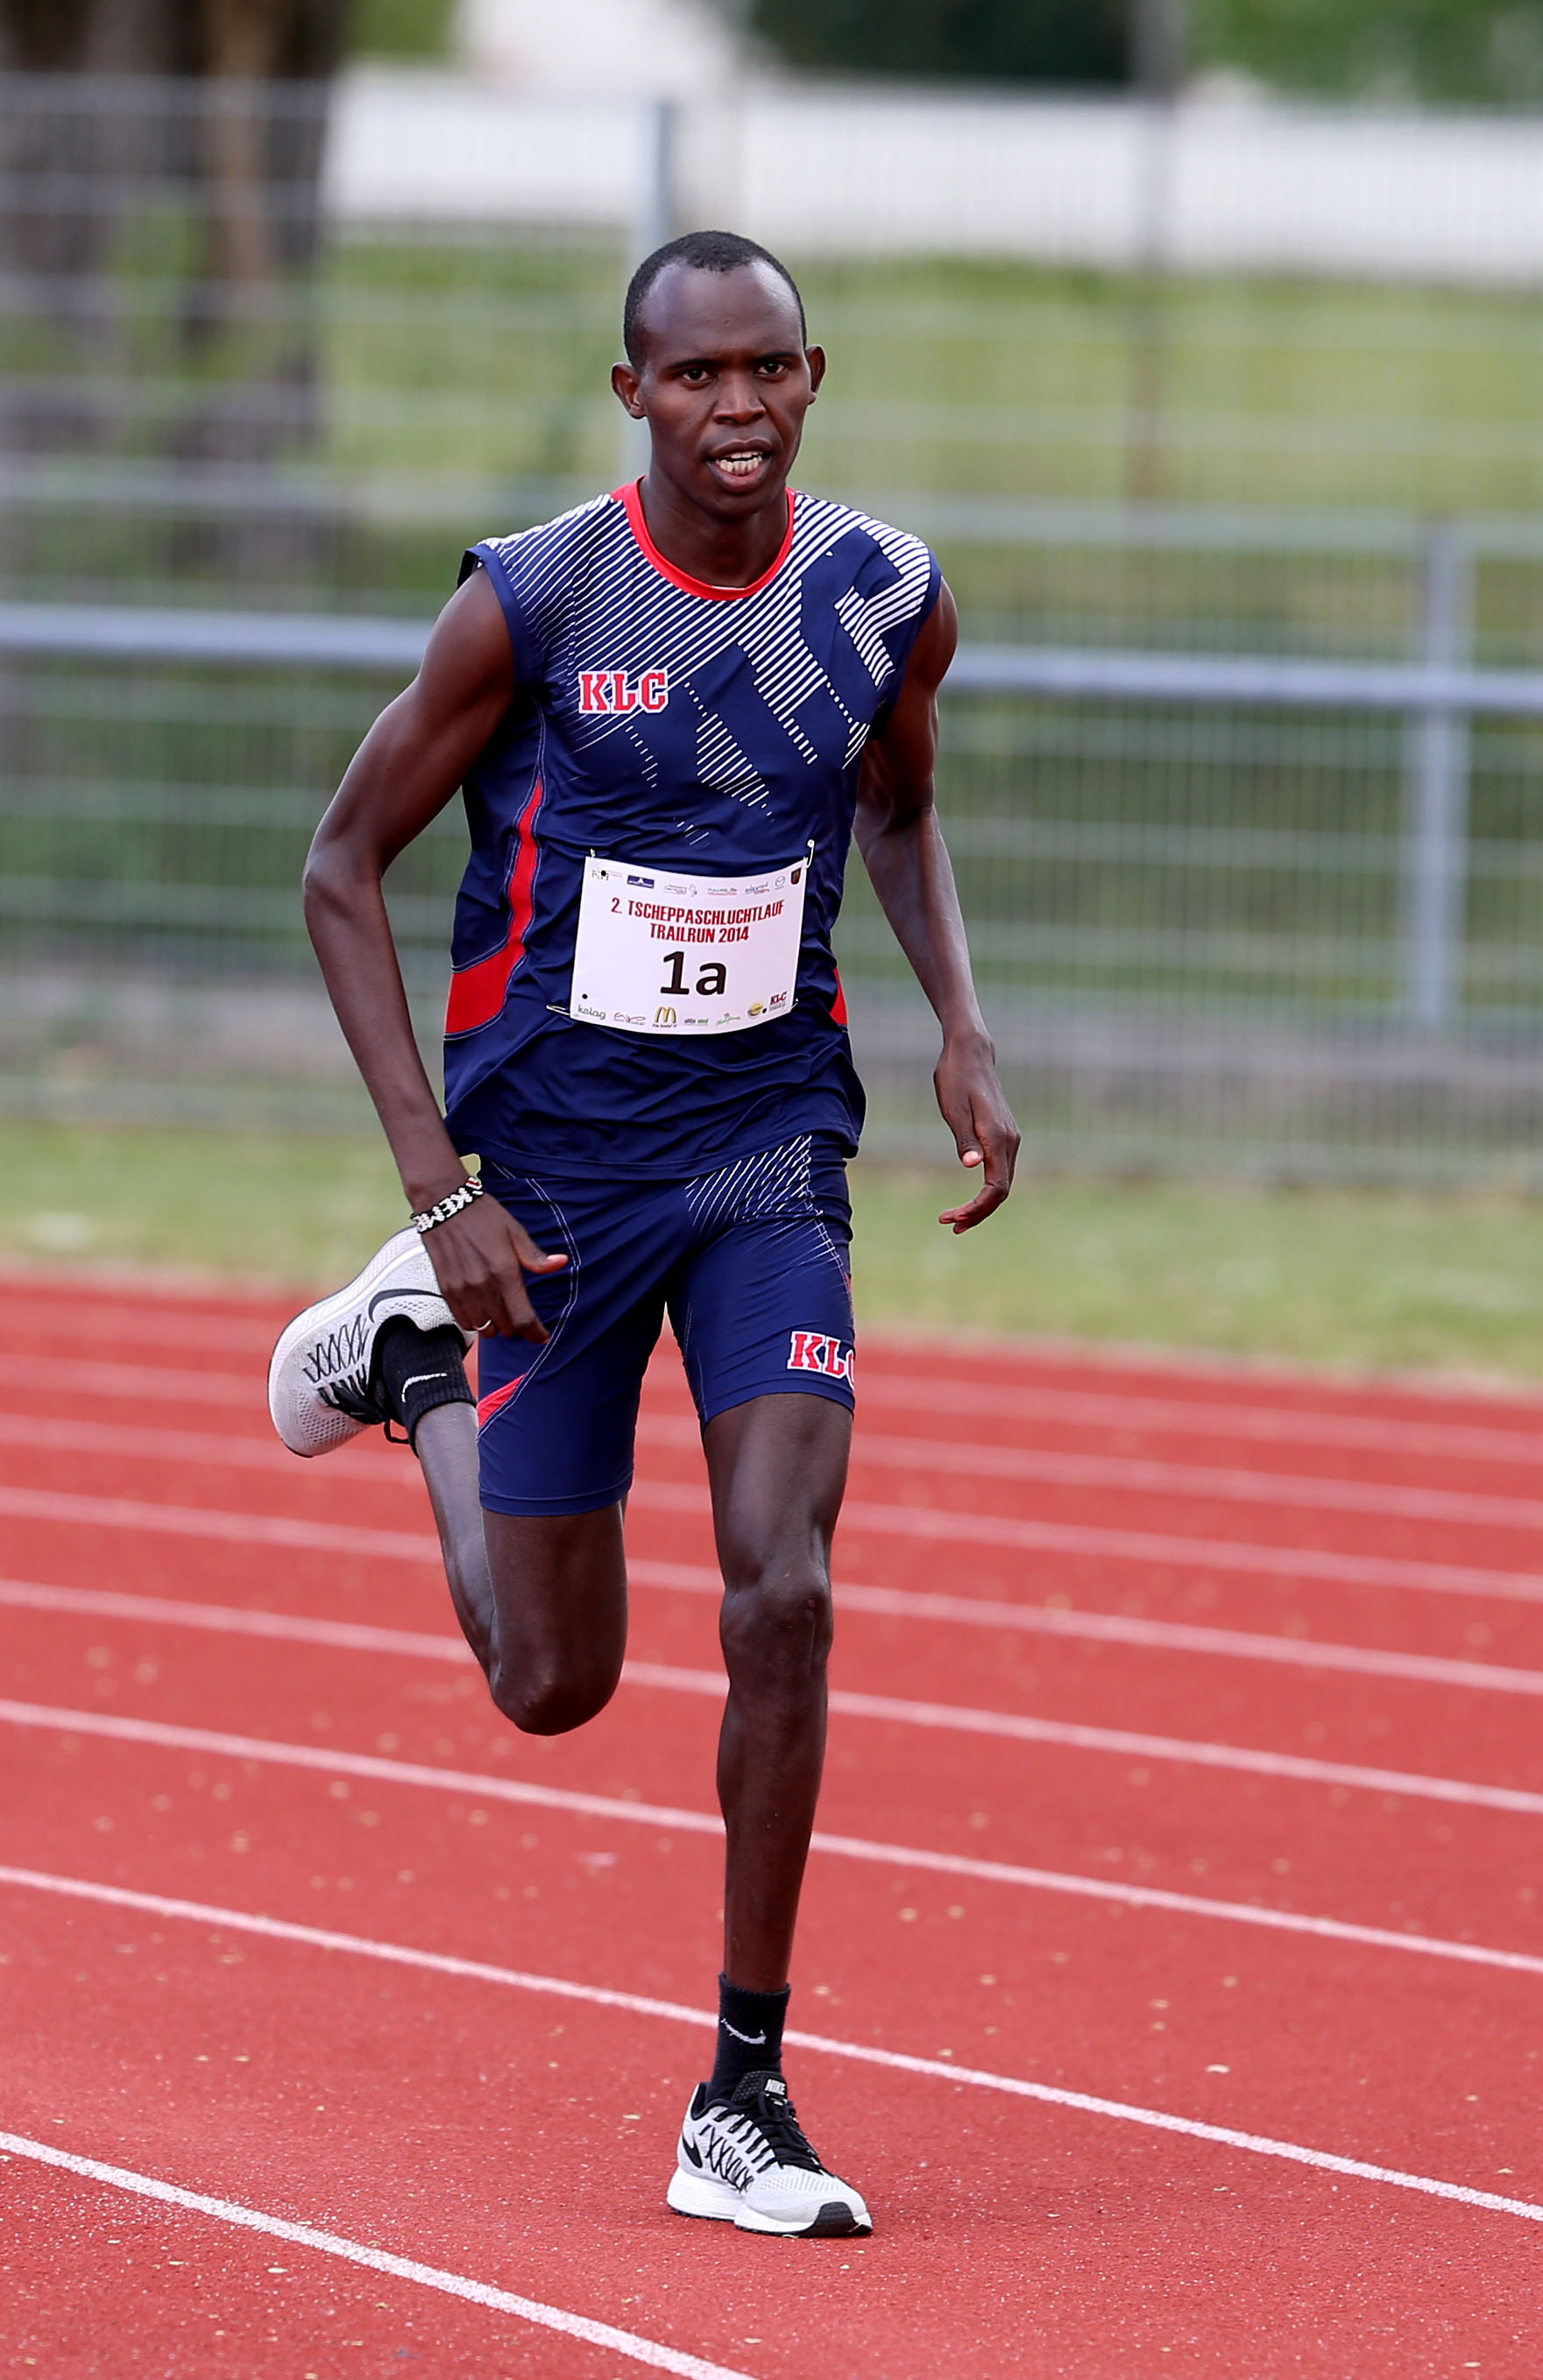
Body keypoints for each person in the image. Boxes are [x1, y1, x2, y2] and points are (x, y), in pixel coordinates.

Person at [267, 229, 1018, 2239]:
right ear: (633, 398)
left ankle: (742, 2092)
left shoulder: (881, 594)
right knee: (549, 1684)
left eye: (768, 369)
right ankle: (415, 1357)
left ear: (813, 373)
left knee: (783, 1590)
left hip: (770, 1146)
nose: (738, 408)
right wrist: (442, 1191)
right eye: (695, 377)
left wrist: (958, 1020)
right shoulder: (532, 600)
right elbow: (340, 869)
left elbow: (897, 804)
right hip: (555, 1184)